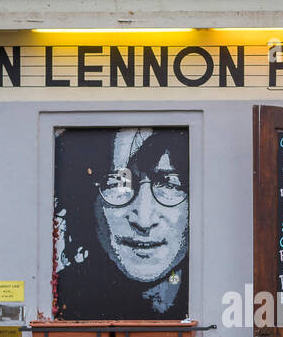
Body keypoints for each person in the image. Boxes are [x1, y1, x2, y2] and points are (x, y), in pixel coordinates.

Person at [52, 127, 189, 319]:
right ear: (86, 201)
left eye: (170, 184)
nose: (143, 221)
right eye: (117, 183)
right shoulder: (64, 300)